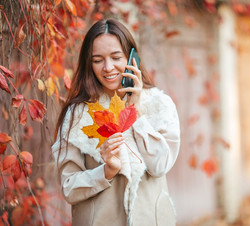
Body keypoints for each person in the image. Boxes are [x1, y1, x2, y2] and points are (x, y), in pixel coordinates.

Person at [51, 18, 180, 226]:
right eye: (98, 60)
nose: (108, 67)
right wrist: (105, 172)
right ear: (89, 63)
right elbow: (69, 187)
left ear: (132, 57)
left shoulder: (159, 105)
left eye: (116, 57)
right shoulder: (77, 115)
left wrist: (136, 113)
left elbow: (160, 165)